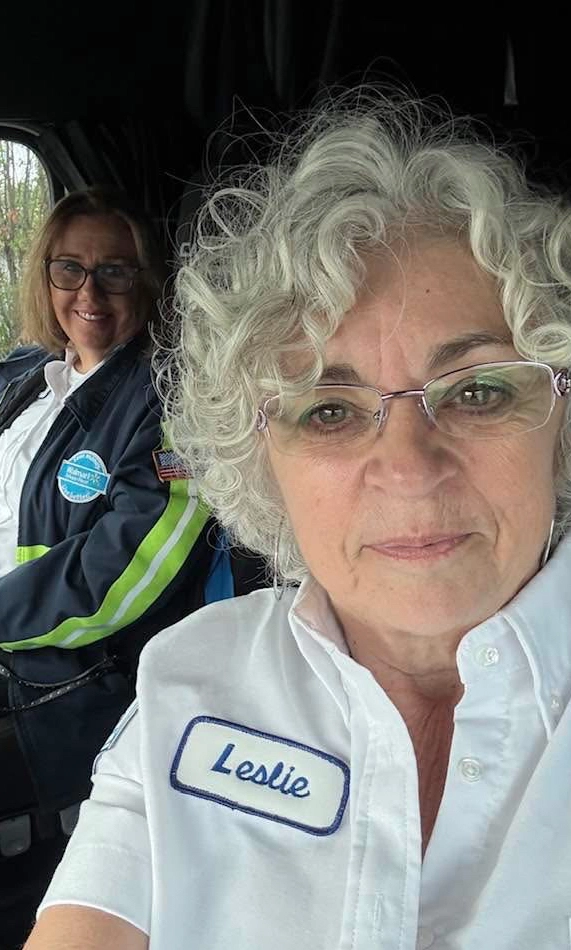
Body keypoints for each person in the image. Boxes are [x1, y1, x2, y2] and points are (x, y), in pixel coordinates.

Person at [24, 94, 571, 950]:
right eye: (326, 410)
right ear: (258, 456)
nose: (408, 469)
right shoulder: (191, 679)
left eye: (478, 390)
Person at [0, 186, 264, 950]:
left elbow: (126, 572)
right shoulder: (25, 379)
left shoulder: (167, 402)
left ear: (148, 282)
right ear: (42, 278)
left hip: (78, 684)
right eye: (69, 269)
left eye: (115, 272)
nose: (88, 292)